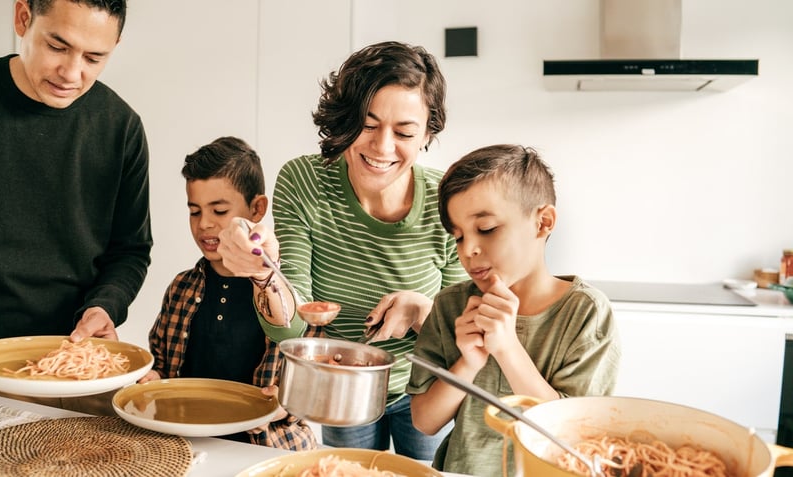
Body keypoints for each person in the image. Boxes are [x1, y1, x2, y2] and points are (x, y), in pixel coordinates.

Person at [217, 41, 469, 460]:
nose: (382, 147)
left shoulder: (446, 199)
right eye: (367, 125)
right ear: (343, 121)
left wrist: (426, 312)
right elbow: (291, 328)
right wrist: (264, 273)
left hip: (426, 388)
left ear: (427, 135)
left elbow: (465, 334)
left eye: (404, 132)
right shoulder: (304, 181)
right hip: (340, 385)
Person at [0, 0, 151, 415]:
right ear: (23, 18)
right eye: (58, 46)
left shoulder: (121, 128)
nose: (73, 74)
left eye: (95, 58)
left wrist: (104, 305)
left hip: (76, 375)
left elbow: (130, 250)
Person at [406, 144, 622, 476]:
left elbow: (576, 436)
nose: (469, 250)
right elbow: (424, 421)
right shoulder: (450, 306)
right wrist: (469, 362)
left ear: (543, 222)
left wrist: (507, 349)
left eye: (487, 229)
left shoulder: (586, 314)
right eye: (458, 237)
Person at [140, 136, 316, 450]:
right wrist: (153, 379)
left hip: (265, 445)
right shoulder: (181, 288)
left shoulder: (287, 295)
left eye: (219, 211)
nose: (204, 224)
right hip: (186, 443)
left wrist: (282, 404)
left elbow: (308, 389)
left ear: (257, 208)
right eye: (194, 211)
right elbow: (163, 367)